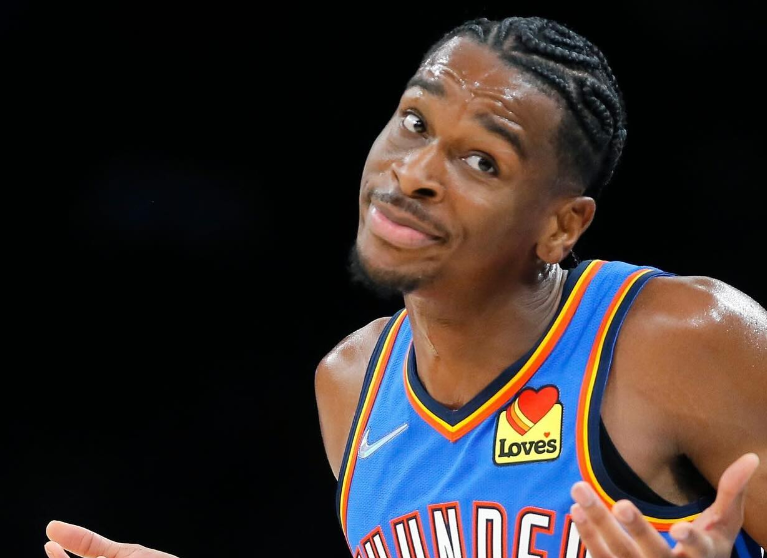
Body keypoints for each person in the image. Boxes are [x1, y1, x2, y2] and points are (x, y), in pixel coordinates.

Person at [43, 15, 765, 558]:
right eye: (415, 121)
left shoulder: (683, 338)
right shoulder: (350, 384)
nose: (414, 172)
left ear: (560, 227)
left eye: (482, 161)